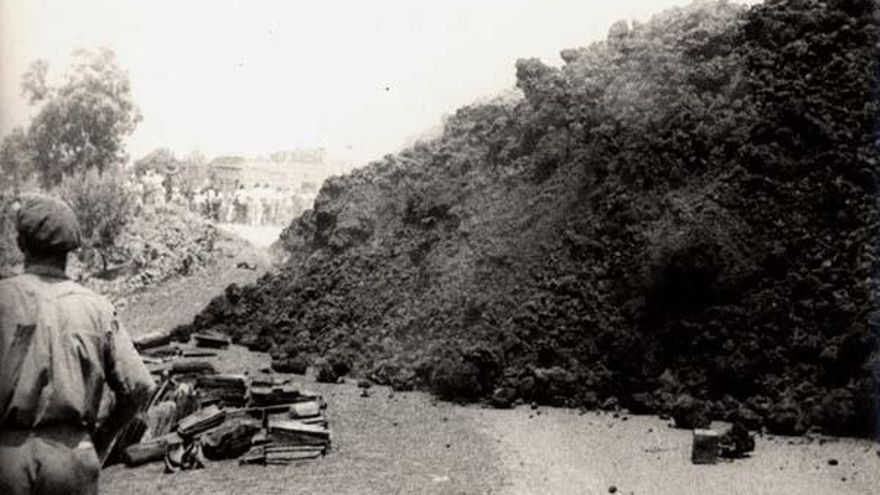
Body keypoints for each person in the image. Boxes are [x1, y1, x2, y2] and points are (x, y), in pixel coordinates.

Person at [0, 194, 155, 495]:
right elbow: (140, 387)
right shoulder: (96, 308)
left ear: (21, 245)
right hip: (71, 458)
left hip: (7, 459)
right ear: (71, 250)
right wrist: (102, 435)